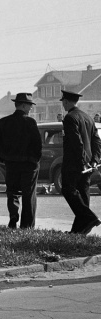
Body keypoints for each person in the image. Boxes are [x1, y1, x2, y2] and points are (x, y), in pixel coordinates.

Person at [0, 92, 42, 229]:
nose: (31, 108)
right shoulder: (30, 122)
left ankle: (13, 215)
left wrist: (4, 157)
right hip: (28, 164)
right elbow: (38, 144)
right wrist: (35, 160)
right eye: (30, 105)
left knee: (12, 191)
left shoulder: (4, 122)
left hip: (11, 163)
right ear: (24, 105)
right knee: (28, 195)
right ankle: (27, 225)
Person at [59, 90, 101, 234]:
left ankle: (89, 217)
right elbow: (96, 141)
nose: (63, 104)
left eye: (63, 101)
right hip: (88, 163)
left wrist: (83, 161)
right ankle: (79, 231)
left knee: (68, 189)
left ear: (66, 101)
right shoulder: (88, 117)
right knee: (83, 194)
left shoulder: (70, 118)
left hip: (74, 163)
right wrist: (94, 160)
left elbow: (76, 142)